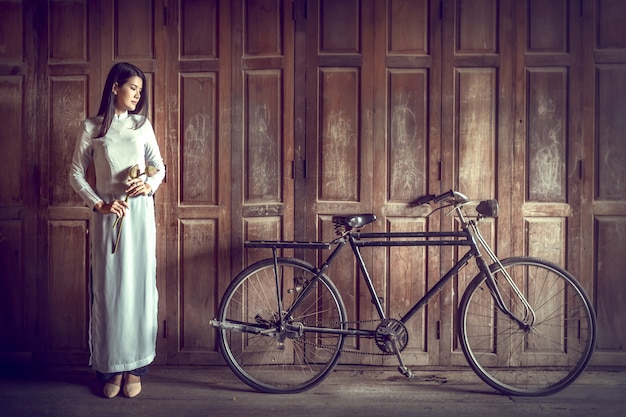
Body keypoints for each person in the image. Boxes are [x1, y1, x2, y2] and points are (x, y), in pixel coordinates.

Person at [69, 62, 166, 398]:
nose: (138, 95)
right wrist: (100, 204)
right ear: (115, 87)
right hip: (109, 218)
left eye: (140, 90)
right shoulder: (92, 128)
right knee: (111, 292)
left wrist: (148, 184)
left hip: (139, 218)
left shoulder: (142, 126)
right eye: (132, 88)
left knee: (138, 290)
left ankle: (135, 368)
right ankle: (111, 367)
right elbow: (76, 175)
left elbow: (160, 167)